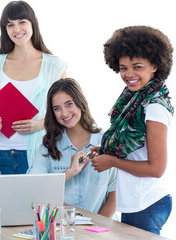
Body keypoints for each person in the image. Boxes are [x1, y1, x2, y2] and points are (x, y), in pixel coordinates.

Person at [91, 26, 173, 234]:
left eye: (137, 66)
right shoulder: (135, 98)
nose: (129, 74)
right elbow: (135, 148)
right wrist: (106, 150)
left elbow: (157, 168)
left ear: (154, 65)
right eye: (123, 68)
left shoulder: (154, 106)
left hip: (147, 203)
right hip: (134, 202)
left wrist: (112, 161)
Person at [0, 0, 67, 174]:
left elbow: (66, 114)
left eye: (22, 22)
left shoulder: (55, 66)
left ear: (32, 24)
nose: (17, 30)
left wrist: (40, 124)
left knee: (35, 202)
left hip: (38, 153)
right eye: (10, 25)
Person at [28, 78, 116, 217]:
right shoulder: (48, 147)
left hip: (98, 231)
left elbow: (114, 195)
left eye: (69, 104)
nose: (64, 113)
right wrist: (69, 172)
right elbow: (33, 187)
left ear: (80, 103)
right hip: (60, 229)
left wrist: (94, 230)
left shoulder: (106, 142)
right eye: (57, 108)